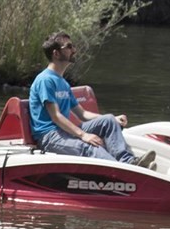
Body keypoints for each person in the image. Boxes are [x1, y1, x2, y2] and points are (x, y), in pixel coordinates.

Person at [28, 31, 156, 168]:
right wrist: (83, 135)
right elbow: (56, 116)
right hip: (49, 137)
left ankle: (128, 162)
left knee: (108, 120)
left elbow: (82, 114)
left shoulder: (63, 83)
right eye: (69, 46)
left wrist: (113, 118)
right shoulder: (45, 80)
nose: (74, 50)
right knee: (90, 146)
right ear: (56, 53)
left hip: (63, 131)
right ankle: (126, 171)